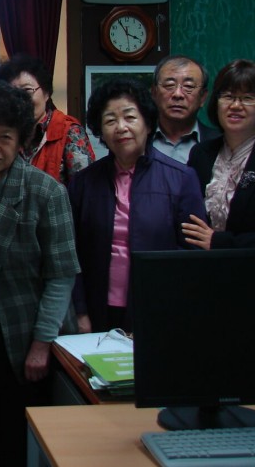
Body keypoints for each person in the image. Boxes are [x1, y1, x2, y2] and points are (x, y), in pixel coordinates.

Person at [0, 80, 79, 467]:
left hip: (25, 324)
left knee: (17, 429)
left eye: (5, 137)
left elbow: (61, 275)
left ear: (21, 140)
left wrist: (42, 344)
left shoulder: (46, 192)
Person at [67, 77, 206, 334]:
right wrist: (80, 310)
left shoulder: (182, 179)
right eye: (110, 120)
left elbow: (192, 257)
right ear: (101, 131)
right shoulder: (83, 183)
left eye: (130, 117)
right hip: (97, 309)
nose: (121, 127)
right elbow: (70, 251)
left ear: (148, 123)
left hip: (158, 308)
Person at [183, 59, 255, 249]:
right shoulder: (200, 154)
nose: (236, 105)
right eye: (228, 96)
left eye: (248, 98)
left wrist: (220, 242)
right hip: (199, 265)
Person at [0, 53, 94, 184]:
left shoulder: (70, 132)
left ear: (46, 93)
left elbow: (85, 188)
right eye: (12, 93)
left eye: (27, 90)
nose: (20, 99)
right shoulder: (3, 133)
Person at [150, 54, 220, 163]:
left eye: (189, 86)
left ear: (203, 97)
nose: (178, 94)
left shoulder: (221, 143)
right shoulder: (137, 140)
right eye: (169, 85)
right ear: (154, 93)